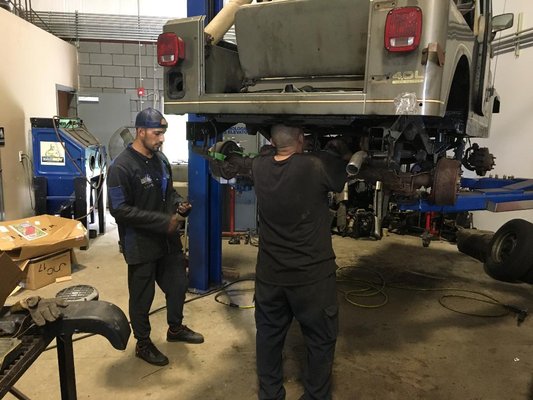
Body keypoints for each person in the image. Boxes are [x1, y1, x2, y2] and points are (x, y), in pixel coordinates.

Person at [251, 124, 350, 400]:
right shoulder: (317, 165)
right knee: (320, 340)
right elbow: (342, 172)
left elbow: (260, 157)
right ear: (301, 139)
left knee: (268, 337)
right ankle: (316, 396)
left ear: (271, 141)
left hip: (270, 275)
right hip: (312, 278)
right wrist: (343, 148)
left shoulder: (259, 167)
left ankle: (270, 394)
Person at [107, 107, 203, 366]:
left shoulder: (161, 161)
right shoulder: (121, 167)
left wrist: (179, 204)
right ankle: (143, 343)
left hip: (166, 239)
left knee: (178, 285)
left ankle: (175, 329)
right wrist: (163, 221)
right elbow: (119, 209)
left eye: (163, 134)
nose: (161, 139)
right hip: (140, 243)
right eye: (157, 133)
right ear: (140, 132)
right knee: (142, 296)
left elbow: (168, 193)